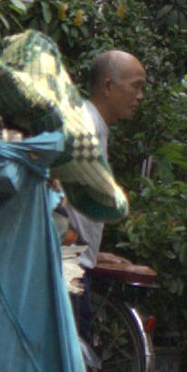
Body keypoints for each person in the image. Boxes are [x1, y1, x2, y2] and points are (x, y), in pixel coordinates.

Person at [63, 49, 147, 264]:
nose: (140, 96)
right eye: (135, 86)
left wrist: (92, 255)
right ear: (108, 86)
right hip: (66, 266)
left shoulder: (93, 124)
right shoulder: (85, 126)